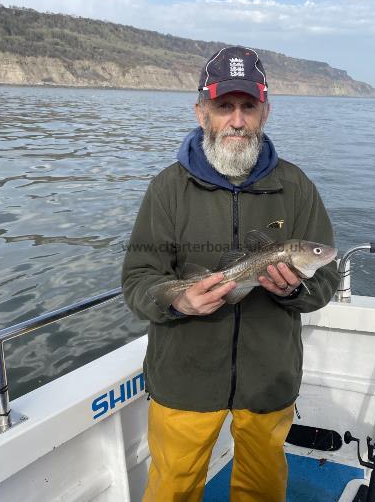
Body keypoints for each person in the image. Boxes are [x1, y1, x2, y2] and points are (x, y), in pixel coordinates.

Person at [121, 46, 340, 502]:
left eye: (248, 107)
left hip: (268, 379)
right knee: (172, 488)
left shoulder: (297, 187)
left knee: (262, 489)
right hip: (183, 376)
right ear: (201, 111)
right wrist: (176, 299)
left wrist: (293, 290)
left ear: (265, 112)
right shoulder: (167, 189)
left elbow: (325, 281)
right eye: (224, 106)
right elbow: (138, 278)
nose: (237, 120)